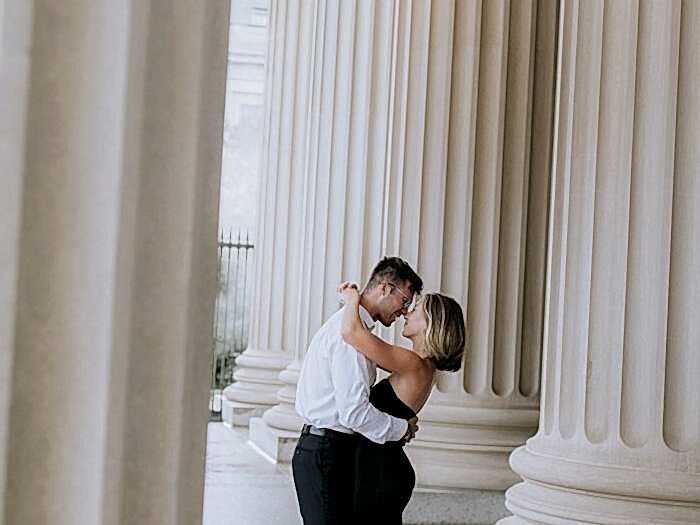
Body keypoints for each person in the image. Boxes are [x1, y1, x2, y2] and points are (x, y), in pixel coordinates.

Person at [292, 257, 423, 524]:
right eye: (405, 300)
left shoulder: (351, 328)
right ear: (385, 288)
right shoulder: (350, 337)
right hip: (326, 452)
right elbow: (353, 412)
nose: (403, 311)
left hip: (325, 450)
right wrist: (401, 428)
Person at [338, 280, 466, 524]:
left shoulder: (413, 364)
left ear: (430, 324)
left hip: (380, 474)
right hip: (382, 470)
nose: (407, 312)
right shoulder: (419, 366)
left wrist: (352, 298)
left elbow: (352, 333)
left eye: (415, 309)